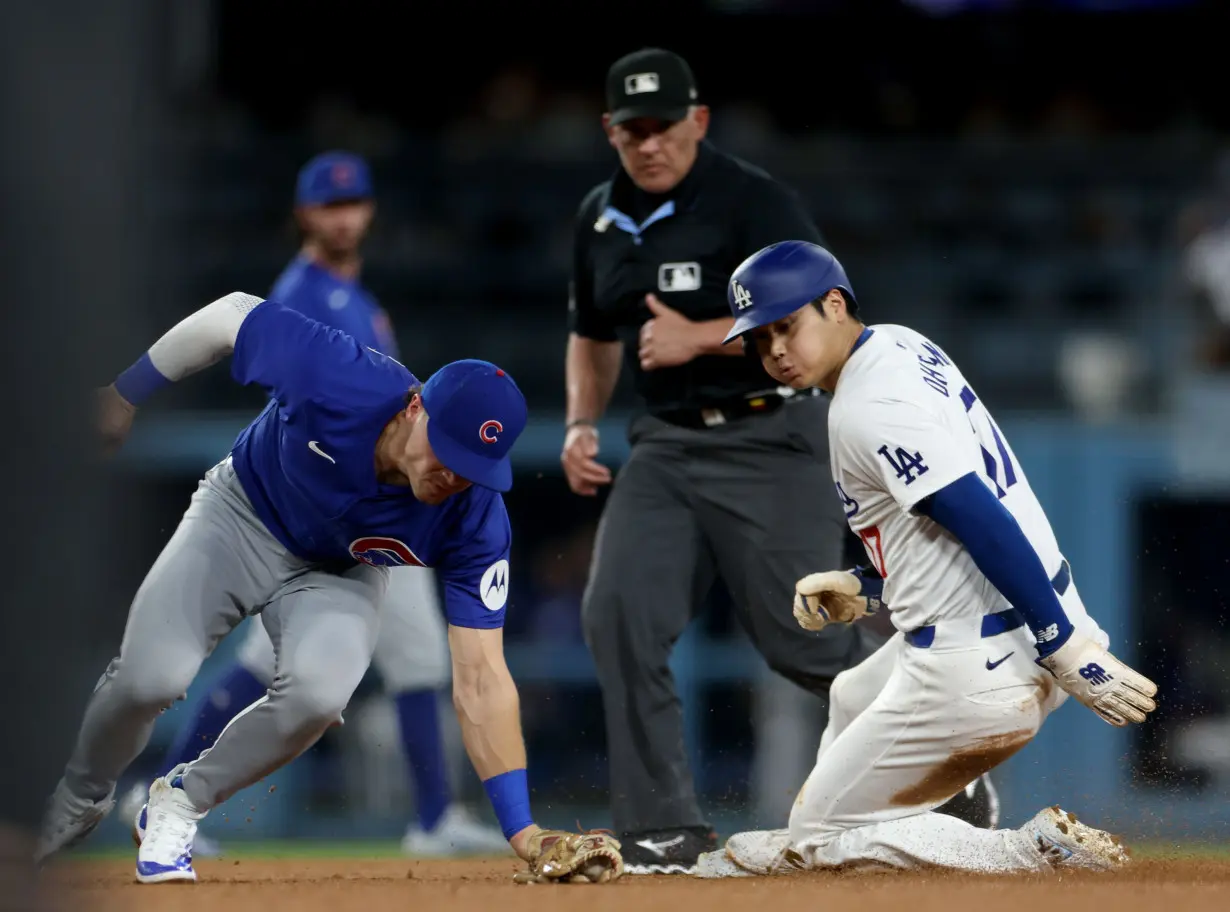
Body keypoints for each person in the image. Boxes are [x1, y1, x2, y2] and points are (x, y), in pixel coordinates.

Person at [562, 47, 995, 874]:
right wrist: (582, 422)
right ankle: (662, 829)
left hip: (768, 436)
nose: (649, 144)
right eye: (631, 130)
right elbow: (591, 334)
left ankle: (945, 776)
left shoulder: (753, 202)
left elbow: (825, 317)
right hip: (664, 444)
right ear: (610, 133)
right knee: (616, 615)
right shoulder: (597, 217)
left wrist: (701, 337)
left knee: (803, 642)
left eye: (663, 126)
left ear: (698, 120)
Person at [33, 291, 625, 886]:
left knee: (318, 697)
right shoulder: (342, 376)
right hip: (241, 516)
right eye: (449, 451)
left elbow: (482, 678)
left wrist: (522, 831)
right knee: (149, 679)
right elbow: (229, 315)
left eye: (475, 467)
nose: (454, 476)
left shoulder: (475, 517)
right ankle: (80, 795)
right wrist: (124, 392)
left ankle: (181, 801)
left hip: (338, 570)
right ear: (415, 407)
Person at [693, 240, 1158, 878]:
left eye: (787, 325)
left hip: (983, 660)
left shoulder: (866, 407)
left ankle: (1026, 852)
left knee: (818, 836)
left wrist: (1067, 646)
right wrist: (867, 585)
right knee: (854, 692)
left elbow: (976, 515)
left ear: (834, 304)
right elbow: (950, 527)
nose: (774, 349)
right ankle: (944, 814)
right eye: (759, 336)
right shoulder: (898, 345)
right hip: (1012, 619)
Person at [113, 151, 507, 859]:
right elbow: (297, 390)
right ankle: (153, 788)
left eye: (353, 203)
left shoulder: (354, 296)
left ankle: (434, 815)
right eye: (329, 205)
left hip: (372, 510)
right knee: (290, 663)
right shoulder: (306, 289)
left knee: (361, 659)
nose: (344, 216)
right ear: (305, 214)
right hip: (326, 509)